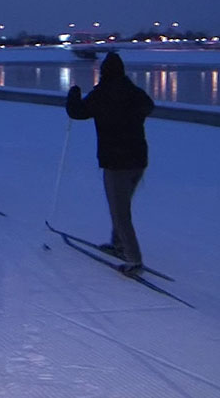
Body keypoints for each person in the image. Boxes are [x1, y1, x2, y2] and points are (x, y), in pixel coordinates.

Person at [65, 52, 154, 274]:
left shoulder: (102, 94)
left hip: (116, 161)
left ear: (103, 72)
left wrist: (73, 94)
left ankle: (133, 259)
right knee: (121, 206)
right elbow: (148, 106)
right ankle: (118, 244)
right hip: (138, 159)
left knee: (119, 211)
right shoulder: (133, 92)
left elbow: (77, 112)